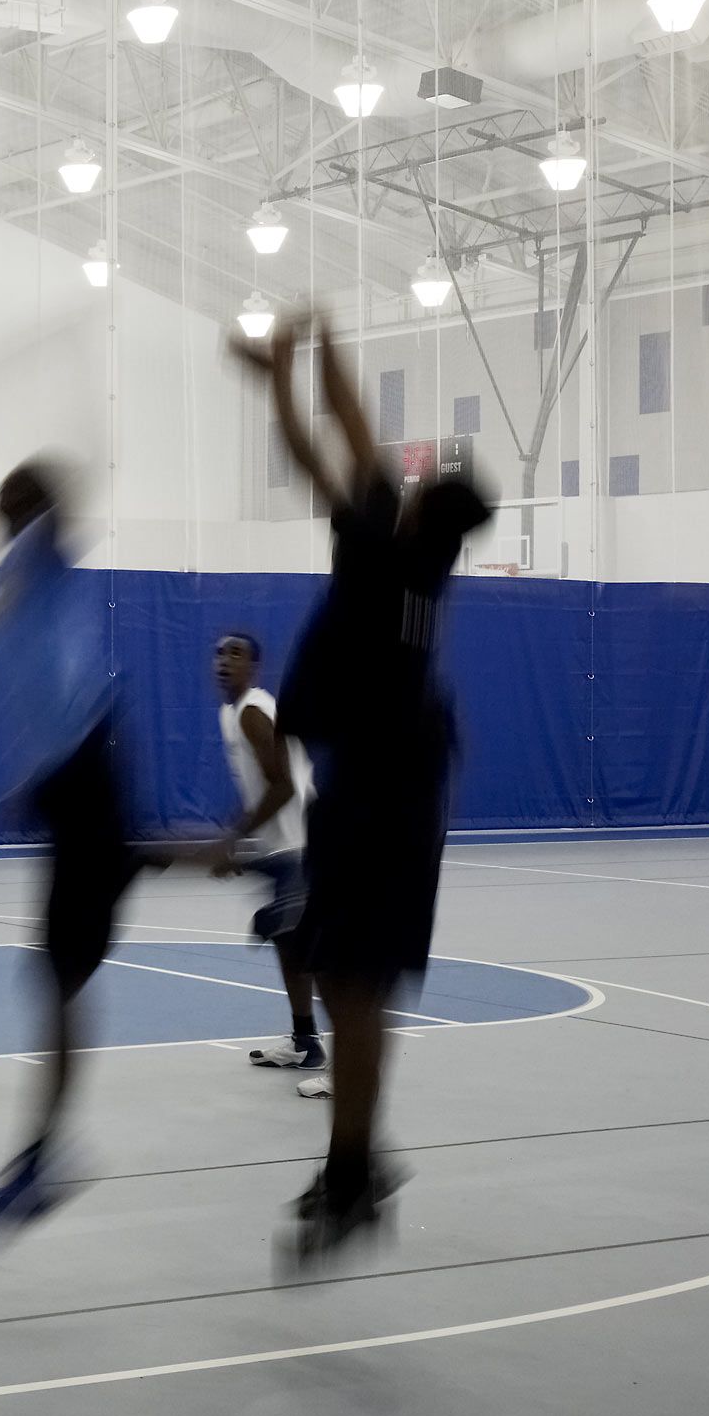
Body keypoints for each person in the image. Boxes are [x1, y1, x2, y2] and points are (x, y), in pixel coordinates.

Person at [231, 306, 493, 1265]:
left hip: (387, 795)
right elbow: (347, 436)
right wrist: (297, 359)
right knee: (350, 984)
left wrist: (299, 351)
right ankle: (354, 1167)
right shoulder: (416, 554)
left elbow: (328, 440)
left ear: (422, 507)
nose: (400, 480)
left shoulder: (389, 550)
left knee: (357, 984)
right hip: (380, 788)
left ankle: (353, 1172)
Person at [0, 458, 158, 1231]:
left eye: (10, 500)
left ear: (25, 507)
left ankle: (45, 1155)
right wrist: (33, 782)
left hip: (88, 765)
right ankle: (44, 1152)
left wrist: (59, 474)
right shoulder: (13, 579)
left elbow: (68, 500)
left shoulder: (39, 556)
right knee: (57, 971)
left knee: (62, 972)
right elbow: (36, 688)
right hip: (70, 776)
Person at [209, 630, 323, 1079]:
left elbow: (284, 786)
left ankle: (350, 1066)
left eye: (235, 654)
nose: (224, 660)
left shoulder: (253, 711)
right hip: (282, 845)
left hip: (305, 843)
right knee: (288, 941)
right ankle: (305, 1042)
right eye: (219, 654)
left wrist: (232, 840)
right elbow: (263, 789)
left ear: (253, 666)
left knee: (314, 950)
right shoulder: (231, 711)